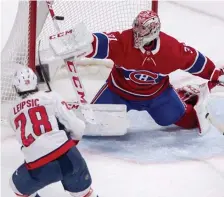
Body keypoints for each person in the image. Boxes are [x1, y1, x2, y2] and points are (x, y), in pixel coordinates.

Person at [85, 10, 224, 133]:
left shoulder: (171, 50)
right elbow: (99, 42)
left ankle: (185, 95)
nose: (138, 32)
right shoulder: (122, 42)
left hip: (157, 96)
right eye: (137, 26)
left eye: (143, 29)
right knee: (94, 125)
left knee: (189, 122)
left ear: (153, 30)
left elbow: (193, 60)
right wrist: (80, 42)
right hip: (118, 93)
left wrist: (215, 73)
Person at [9, 67, 98, 197]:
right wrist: (71, 143)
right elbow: (77, 126)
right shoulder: (51, 96)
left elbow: (24, 142)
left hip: (39, 167)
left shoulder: (12, 113)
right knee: (84, 193)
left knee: (16, 186)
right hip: (69, 157)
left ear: (16, 87)